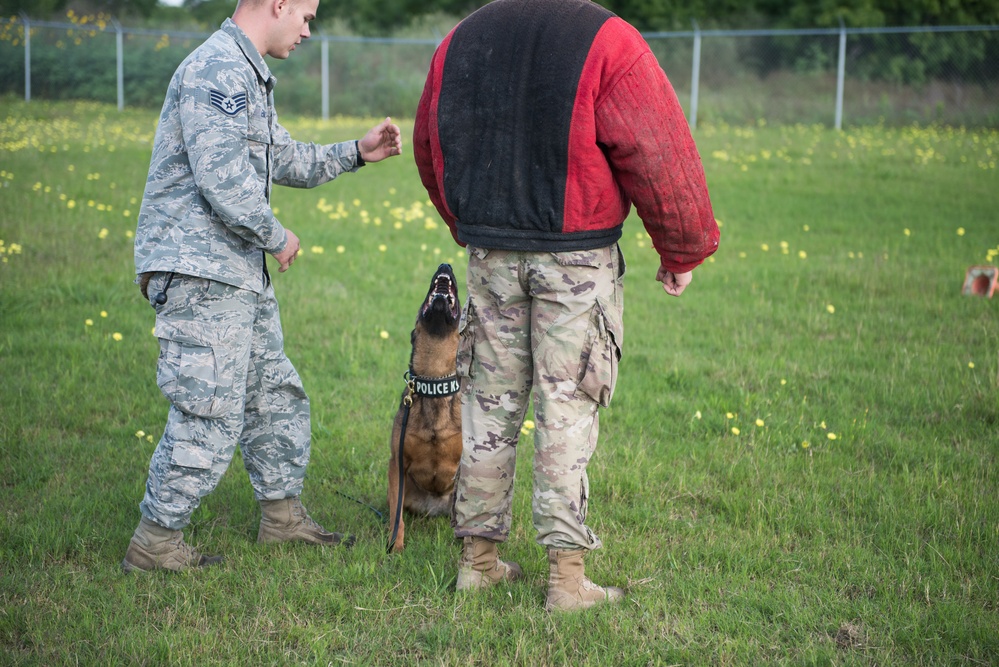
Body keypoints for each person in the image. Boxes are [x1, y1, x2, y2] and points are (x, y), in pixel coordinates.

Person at [413, 0, 719, 611]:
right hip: (576, 259)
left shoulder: (462, 38)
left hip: (492, 252)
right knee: (567, 410)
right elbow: (656, 150)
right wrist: (682, 246)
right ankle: (567, 579)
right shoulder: (607, 37)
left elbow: (431, 145)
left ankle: (477, 562)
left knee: (488, 406)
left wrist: (466, 223)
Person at [122, 0, 402, 573]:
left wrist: (357, 153)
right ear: (278, 3)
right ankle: (155, 542)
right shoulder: (218, 69)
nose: (307, 29)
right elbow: (220, 175)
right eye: (305, 15)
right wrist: (275, 234)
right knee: (209, 408)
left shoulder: (246, 71)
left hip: (235, 271)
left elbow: (282, 157)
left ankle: (282, 518)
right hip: (202, 271)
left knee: (272, 393)